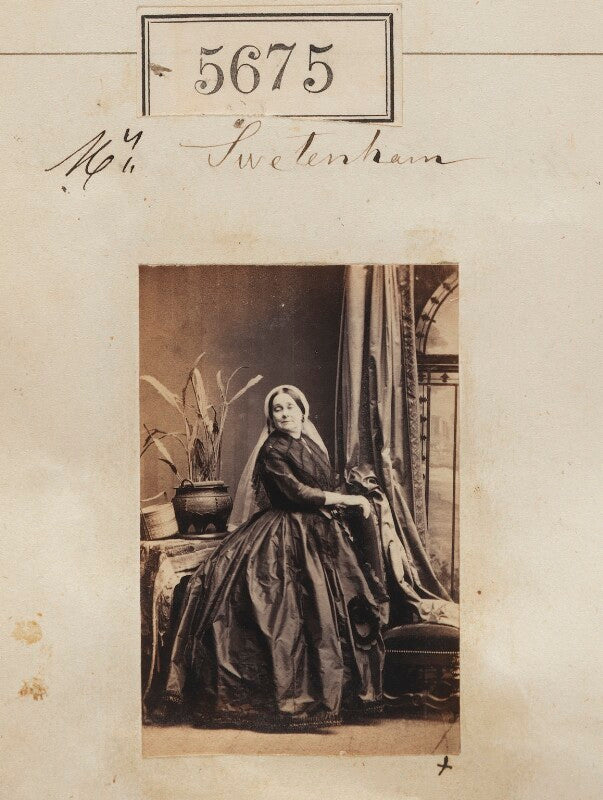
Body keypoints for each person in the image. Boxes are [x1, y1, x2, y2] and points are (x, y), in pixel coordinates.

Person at [165, 385, 387, 731]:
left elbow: (321, 484)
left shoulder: (310, 443)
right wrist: (347, 500)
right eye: (277, 409)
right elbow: (297, 493)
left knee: (329, 610)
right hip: (283, 533)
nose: (284, 414)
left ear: (302, 410)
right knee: (285, 614)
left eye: (289, 407)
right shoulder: (273, 449)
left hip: (319, 532)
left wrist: (344, 502)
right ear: (271, 417)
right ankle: (293, 700)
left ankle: (340, 696)